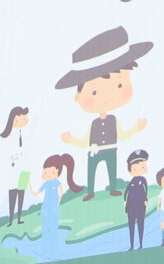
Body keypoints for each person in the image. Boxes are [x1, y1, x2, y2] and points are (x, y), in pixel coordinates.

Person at [55, 26, 151, 201]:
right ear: (78, 97)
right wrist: (71, 141)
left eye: (120, 85)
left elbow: (121, 135)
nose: (107, 97)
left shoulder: (114, 120)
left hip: (111, 149)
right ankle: (90, 191)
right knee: (92, 170)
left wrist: (136, 128)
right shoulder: (94, 124)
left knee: (111, 169)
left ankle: (113, 188)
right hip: (94, 151)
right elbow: (85, 140)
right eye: (94, 92)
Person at [0, 105, 31, 223]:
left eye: (25, 118)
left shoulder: (26, 133)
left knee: (22, 192)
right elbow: (7, 152)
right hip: (13, 168)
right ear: (14, 119)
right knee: (13, 193)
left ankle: (19, 217)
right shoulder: (10, 136)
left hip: (24, 168)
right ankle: (11, 218)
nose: (25, 120)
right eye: (22, 118)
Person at [123, 150, 151, 248]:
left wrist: (145, 199)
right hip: (131, 207)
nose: (145, 168)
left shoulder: (143, 180)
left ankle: (141, 244)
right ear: (132, 169)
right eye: (142, 166)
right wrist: (125, 201)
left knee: (140, 225)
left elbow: (145, 190)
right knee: (131, 226)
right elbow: (126, 192)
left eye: (144, 166)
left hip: (140, 206)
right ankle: (131, 246)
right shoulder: (131, 182)